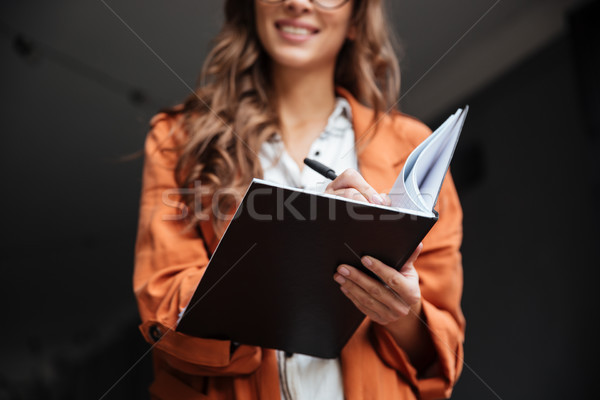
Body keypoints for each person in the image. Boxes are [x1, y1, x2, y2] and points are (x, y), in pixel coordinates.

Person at [133, 0, 465, 399]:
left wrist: (402, 313)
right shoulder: (178, 138)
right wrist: (292, 248)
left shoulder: (413, 146)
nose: (297, 2)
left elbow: (442, 354)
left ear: (356, 19)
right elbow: (163, 309)